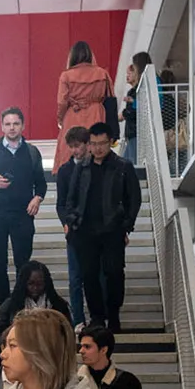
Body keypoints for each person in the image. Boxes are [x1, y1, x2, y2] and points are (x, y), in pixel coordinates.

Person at [61, 122, 142, 333]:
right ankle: (96, 317)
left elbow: (134, 199)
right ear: (89, 144)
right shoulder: (82, 168)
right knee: (89, 275)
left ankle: (113, 315)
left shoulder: (123, 167)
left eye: (102, 143)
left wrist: (126, 226)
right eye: (94, 143)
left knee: (114, 273)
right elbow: (71, 200)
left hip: (112, 231)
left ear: (111, 143)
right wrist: (73, 221)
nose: (98, 148)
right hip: (85, 232)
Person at [0, 107, 48, 305]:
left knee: (24, 264)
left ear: (22, 125)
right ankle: (5, 306)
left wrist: (37, 198)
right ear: (2, 126)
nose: (12, 128)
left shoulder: (31, 152)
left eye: (16, 124)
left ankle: (22, 303)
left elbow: (41, 182)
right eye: (8, 124)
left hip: (22, 215)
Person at [0, 261, 71, 373]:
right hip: (17, 358)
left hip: (49, 358)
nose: (35, 288)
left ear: (46, 283)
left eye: (40, 284)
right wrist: (5, 348)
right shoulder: (12, 304)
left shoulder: (58, 305)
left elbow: (68, 332)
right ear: (24, 283)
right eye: (31, 284)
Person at [55, 41, 114, 172]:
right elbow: (110, 98)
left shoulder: (66, 75)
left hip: (73, 116)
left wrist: (60, 119)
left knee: (71, 153)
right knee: (96, 151)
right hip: (96, 114)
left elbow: (62, 102)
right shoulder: (102, 74)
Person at [54, 126, 92, 326]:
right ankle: (78, 320)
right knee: (75, 278)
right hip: (74, 229)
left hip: (94, 229)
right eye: (72, 147)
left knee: (96, 276)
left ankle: (96, 318)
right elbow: (60, 203)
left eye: (78, 146)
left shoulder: (95, 166)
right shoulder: (65, 171)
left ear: (87, 144)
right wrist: (65, 223)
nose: (75, 150)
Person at [120, 51, 153, 163]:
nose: (127, 75)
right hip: (134, 135)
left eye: (131, 71)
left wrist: (124, 114)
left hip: (135, 134)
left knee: (129, 165)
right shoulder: (137, 90)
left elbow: (134, 111)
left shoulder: (137, 91)